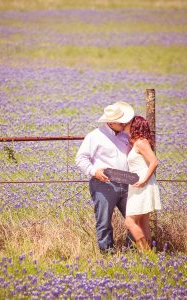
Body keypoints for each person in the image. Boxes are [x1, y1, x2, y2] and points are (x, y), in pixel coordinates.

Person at [75, 101, 135, 254]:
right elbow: (81, 158)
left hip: (127, 182)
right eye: (121, 122)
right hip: (104, 183)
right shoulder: (94, 136)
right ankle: (107, 253)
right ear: (111, 122)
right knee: (104, 221)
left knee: (134, 218)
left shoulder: (125, 136)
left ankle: (131, 250)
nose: (125, 124)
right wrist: (94, 171)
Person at [123, 116, 161, 252]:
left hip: (142, 184)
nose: (125, 124)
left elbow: (154, 161)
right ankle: (149, 254)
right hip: (137, 183)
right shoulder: (136, 142)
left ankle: (146, 253)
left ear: (135, 126)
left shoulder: (141, 143)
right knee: (142, 221)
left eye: (129, 123)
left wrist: (144, 180)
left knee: (130, 221)